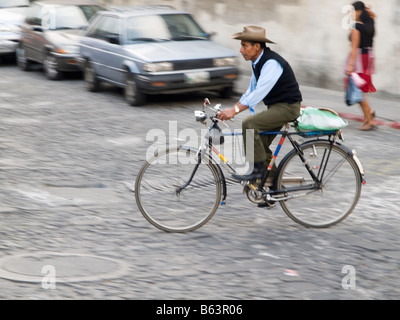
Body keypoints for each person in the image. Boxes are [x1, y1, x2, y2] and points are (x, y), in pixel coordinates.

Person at [218, 25, 302, 185]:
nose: (241, 50)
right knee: (260, 145)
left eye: (244, 45)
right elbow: (251, 90)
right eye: (241, 45)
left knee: (249, 124)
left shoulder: (271, 63)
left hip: (288, 107)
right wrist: (232, 108)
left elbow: (259, 93)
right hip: (276, 107)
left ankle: (255, 172)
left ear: (257, 47)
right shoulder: (257, 62)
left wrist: (234, 110)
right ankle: (273, 184)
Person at [346, 1, 376, 131]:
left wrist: (350, 66)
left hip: (359, 59)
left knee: (358, 89)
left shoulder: (356, 26)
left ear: (358, 12)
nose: (351, 14)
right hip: (368, 58)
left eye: (352, 11)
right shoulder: (369, 24)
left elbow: (354, 48)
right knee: (361, 90)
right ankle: (368, 116)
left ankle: (369, 117)